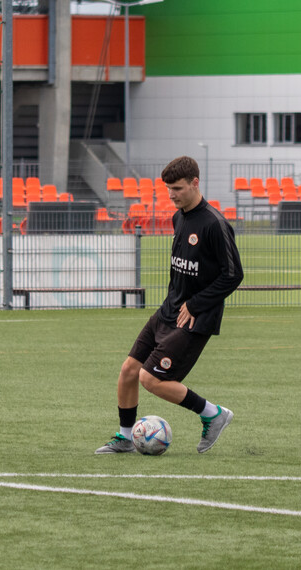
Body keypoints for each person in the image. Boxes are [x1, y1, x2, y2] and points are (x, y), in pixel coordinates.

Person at [95, 156, 244, 455]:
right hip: (168, 311)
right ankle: (125, 437)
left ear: (195, 183)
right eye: (168, 189)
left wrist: (196, 303)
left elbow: (234, 275)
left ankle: (213, 414)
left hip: (195, 318)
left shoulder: (215, 224)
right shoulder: (179, 218)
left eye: (177, 188)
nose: (172, 194)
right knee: (128, 370)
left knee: (151, 378)